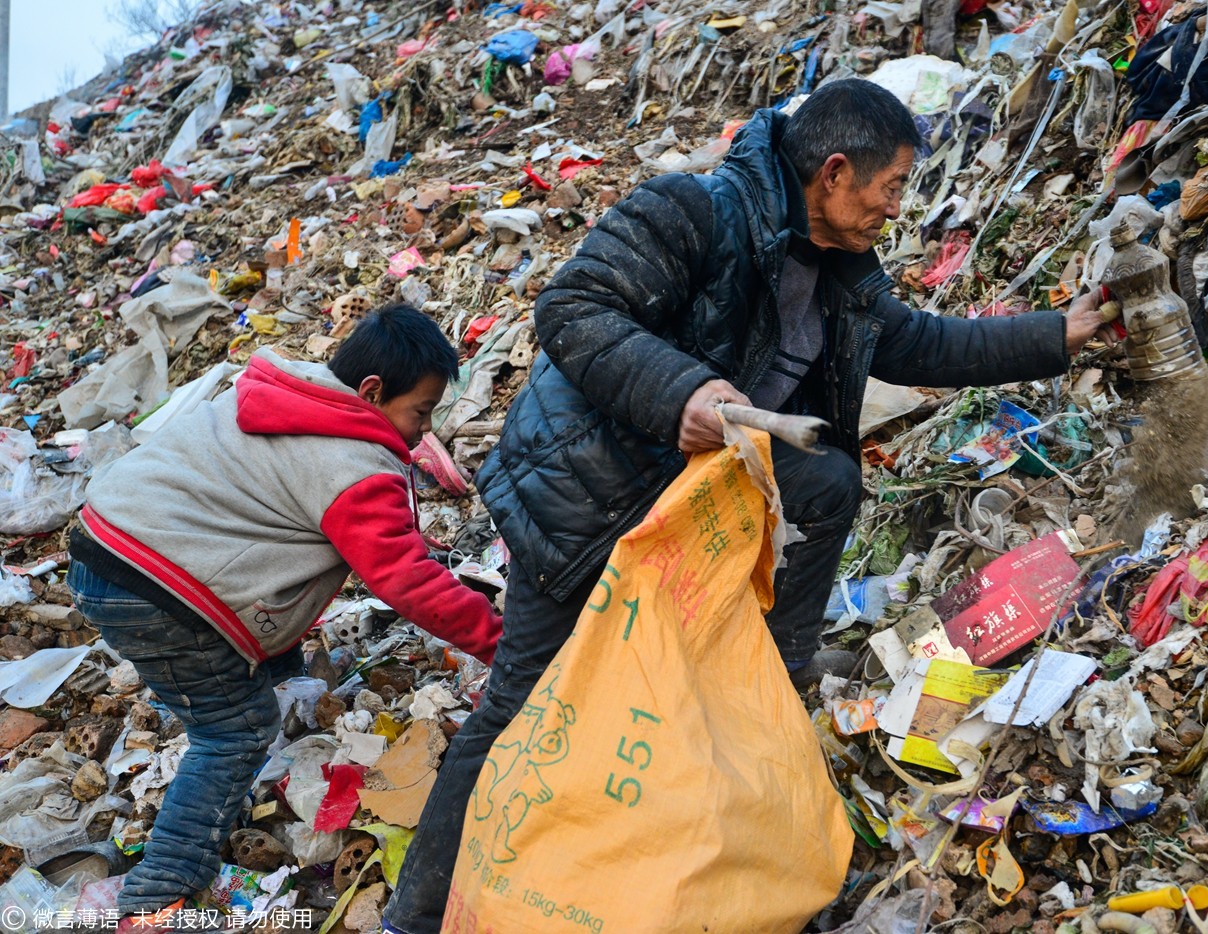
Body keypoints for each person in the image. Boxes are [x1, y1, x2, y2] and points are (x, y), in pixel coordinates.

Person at [382, 78, 1105, 933]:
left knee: (824, 488)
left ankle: (763, 694)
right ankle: (417, 915)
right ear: (834, 173)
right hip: (587, 506)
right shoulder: (693, 211)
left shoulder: (840, 269)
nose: (894, 208)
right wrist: (681, 390)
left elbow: (912, 343)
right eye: (892, 187)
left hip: (689, 522)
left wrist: (1058, 335)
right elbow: (571, 308)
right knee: (523, 702)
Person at [66, 305, 501, 929]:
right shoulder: (351, 464)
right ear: (372, 393)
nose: (420, 433)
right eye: (420, 413)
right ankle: (154, 897)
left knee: (259, 670)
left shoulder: (289, 389)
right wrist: (501, 643)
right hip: (152, 585)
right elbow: (407, 582)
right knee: (236, 731)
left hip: (106, 543)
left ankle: (206, 716)